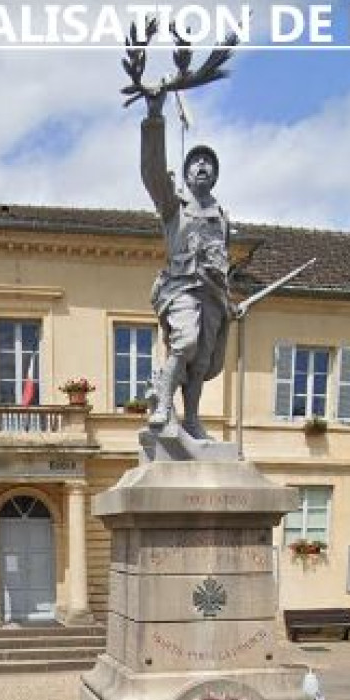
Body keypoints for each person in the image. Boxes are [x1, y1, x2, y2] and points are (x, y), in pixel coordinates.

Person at [139, 90, 232, 440]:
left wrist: (228, 302)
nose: (203, 166)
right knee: (186, 342)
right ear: (187, 170)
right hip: (180, 287)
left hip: (212, 296)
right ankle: (164, 403)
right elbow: (151, 172)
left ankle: (191, 418)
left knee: (202, 363)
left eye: (209, 162)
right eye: (196, 161)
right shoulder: (174, 205)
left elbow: (223, 266)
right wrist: (154, 118)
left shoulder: (222, 217)